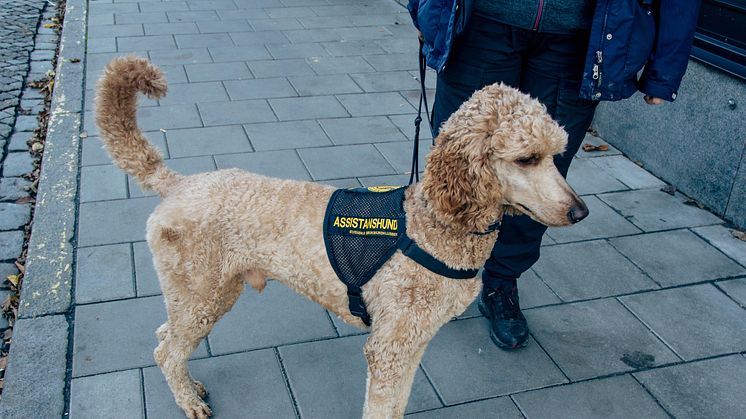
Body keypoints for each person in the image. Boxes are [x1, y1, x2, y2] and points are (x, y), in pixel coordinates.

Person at [407, 0, 702, 349]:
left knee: (542, 180)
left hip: (576, 37)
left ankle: (501, 283)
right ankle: (438, 268)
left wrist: (666, 66)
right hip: (480, 23)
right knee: (461, 169)